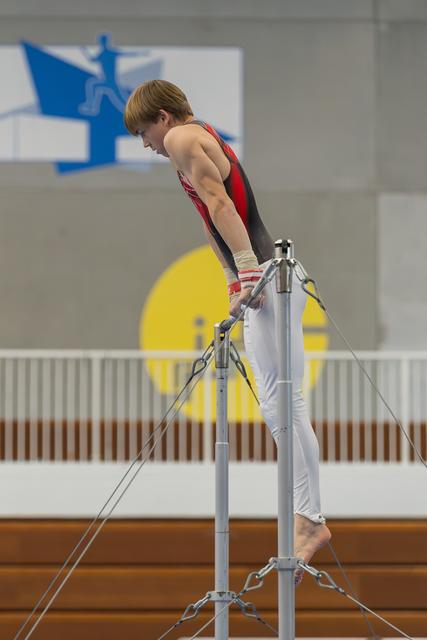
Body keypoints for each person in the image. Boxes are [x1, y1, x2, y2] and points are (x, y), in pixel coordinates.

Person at [124, 80, 331, 584]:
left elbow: (221, 206)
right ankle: (309, 516)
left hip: (272, 280)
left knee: (285, 402)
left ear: (165, 117)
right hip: (268, 278)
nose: (144, 143)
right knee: (278, 403)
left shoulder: (181, 140)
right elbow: (208, 218)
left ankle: (312, 519)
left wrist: (249, 271)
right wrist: (232, 279)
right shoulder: (197, 139)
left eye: (143, 131)